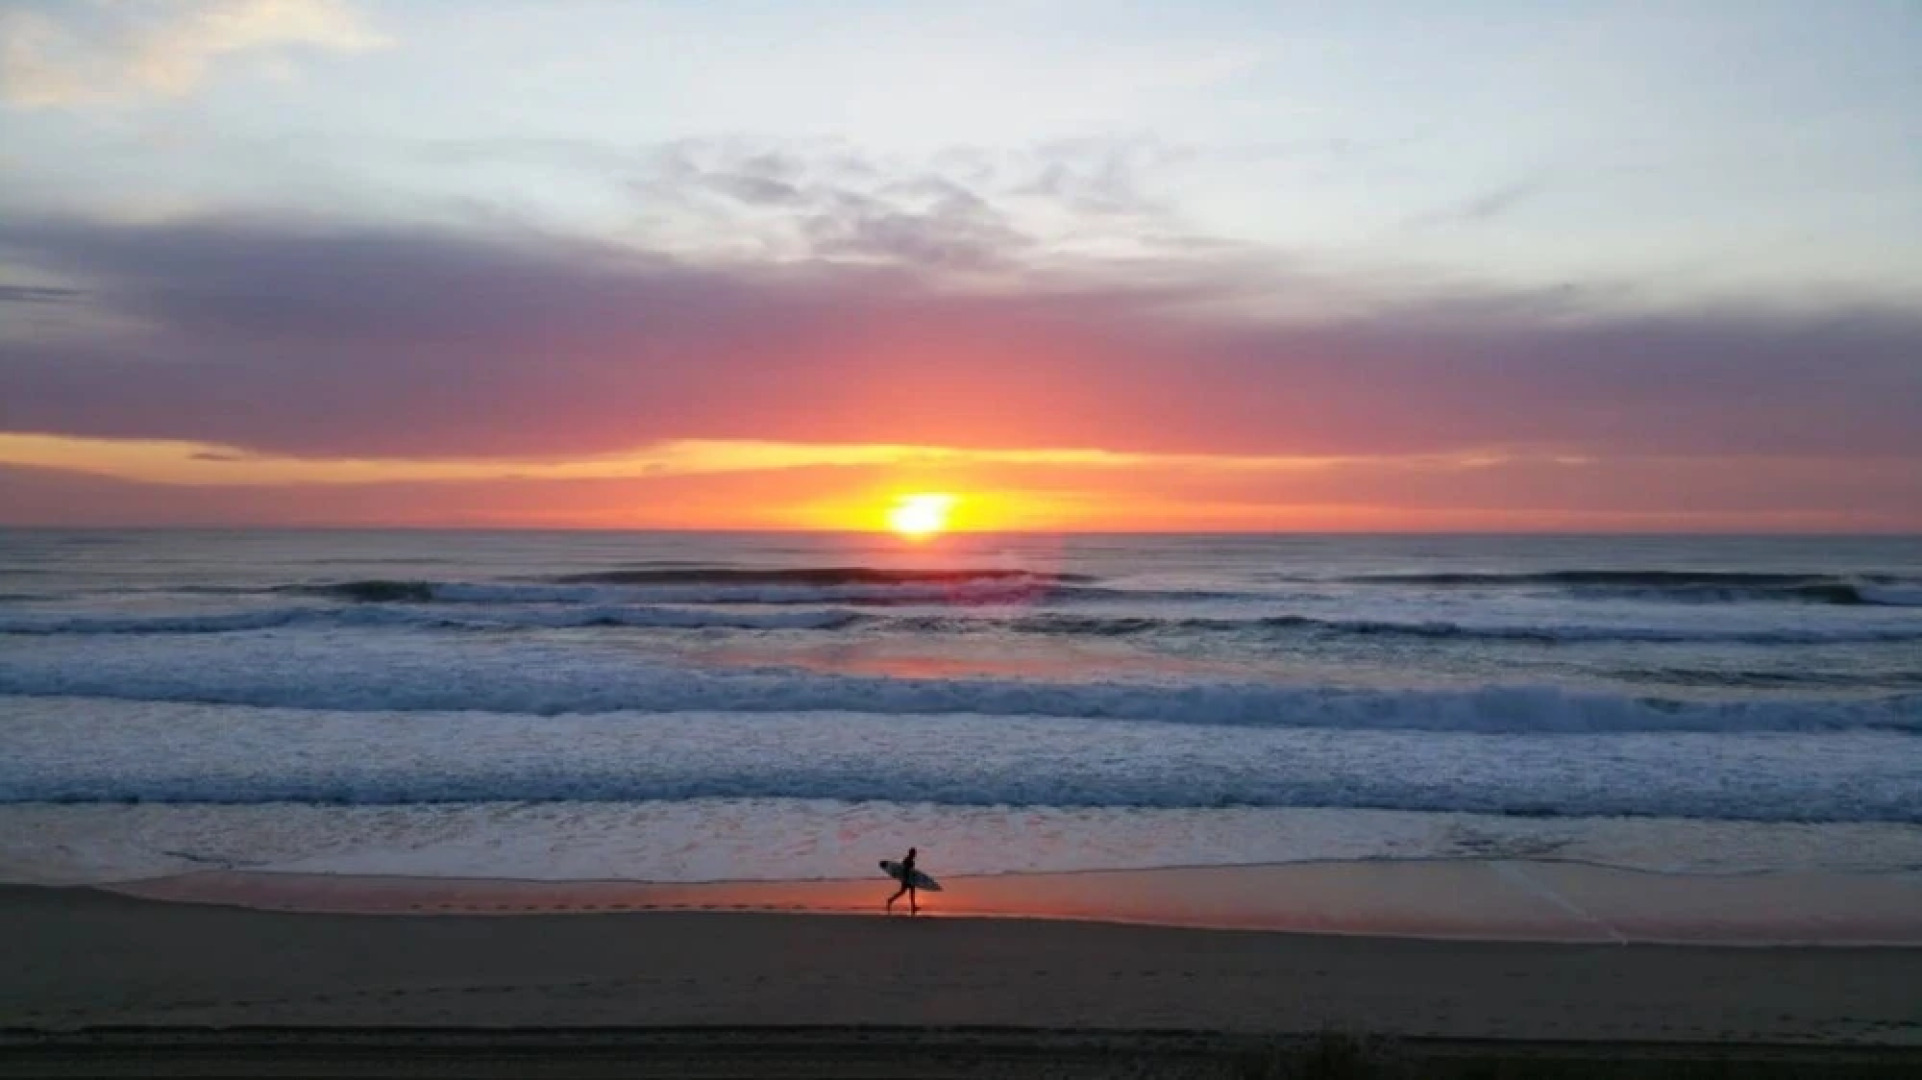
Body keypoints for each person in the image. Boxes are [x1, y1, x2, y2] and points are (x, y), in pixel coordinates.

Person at [885, 846, 921, 915]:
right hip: (906, 879)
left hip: (910, 879)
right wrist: (904, 879)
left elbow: (911, 871)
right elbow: (903, 870)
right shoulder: (907, 860)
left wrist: (913, 877)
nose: (915, 854)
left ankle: (913, 907)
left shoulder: (911, 861)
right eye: (914, 853)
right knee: (903, 892)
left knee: (910, 893)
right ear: (911, 853)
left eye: (915, 853)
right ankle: (890, 900)